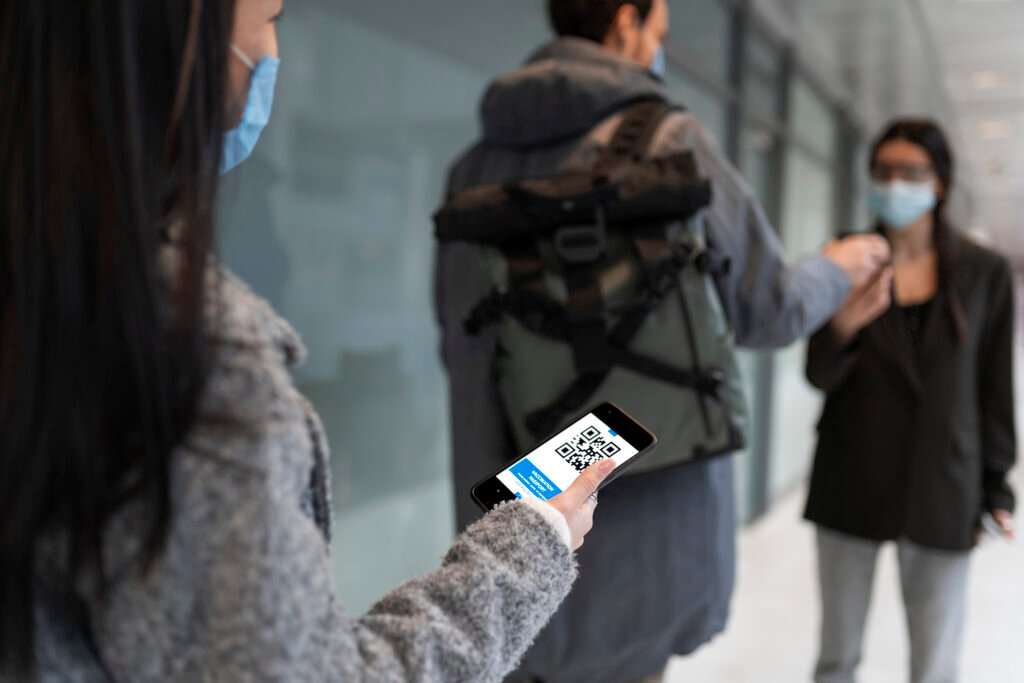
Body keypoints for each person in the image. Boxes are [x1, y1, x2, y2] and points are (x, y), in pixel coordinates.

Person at [0, 1, 615, 681]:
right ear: (181, 33)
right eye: (270, 17)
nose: (271, 56)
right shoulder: (184, 357)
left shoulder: (50, 281)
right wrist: (533, 541)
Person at [434, 1, 891, 681]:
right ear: (626, 22)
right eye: (660, 33)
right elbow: (769, 308)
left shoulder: (474, 169)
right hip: (651, 557)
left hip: (517, 546)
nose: (658, 50)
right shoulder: (670, 140)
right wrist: (839, 266)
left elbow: (462, 349)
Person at [805, 119, 1017, 683]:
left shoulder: (984, 272)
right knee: (836, 657)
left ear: (940, 182)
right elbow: (817, 373)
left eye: (911, 173)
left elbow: (995, 386)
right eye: (884, 171)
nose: (895, 184)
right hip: (852, 471)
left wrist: (997, 485)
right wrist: (843, 328)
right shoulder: (844, 258)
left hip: (944, 481)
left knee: (936, 663)